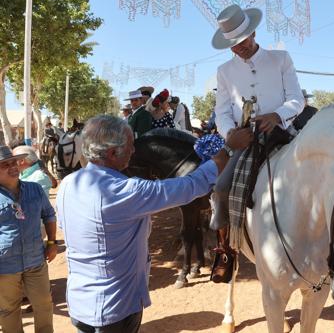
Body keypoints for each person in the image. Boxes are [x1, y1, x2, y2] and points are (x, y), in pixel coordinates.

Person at [56, 115, 251, 333]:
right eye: (130, 147)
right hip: (114, 309)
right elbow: (192, 185)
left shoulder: (67, 185)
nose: (133, 151)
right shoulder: (125, 191)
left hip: (80, 302)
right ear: (112, 153)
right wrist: (229, 148)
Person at [210, 4, 304, 282]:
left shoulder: (280, 58)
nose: (238, 49)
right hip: (245, 139)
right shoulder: (224, 71)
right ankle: (225, 250)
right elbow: (222, 112)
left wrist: (278, 115)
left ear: (252, 33)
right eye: (232, 46)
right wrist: (230, 134)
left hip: (283, 133)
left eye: (241, 42)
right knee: (221, 188)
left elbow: (297, 99)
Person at [0, 146, 56, 333]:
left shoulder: (35, 189)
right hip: (4, 266)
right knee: (8, 311)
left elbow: (49, 215)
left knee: (44, 304)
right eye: (5, 165)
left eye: (13, 162)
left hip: (35, 260)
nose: (13, 167)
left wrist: (52, 243)